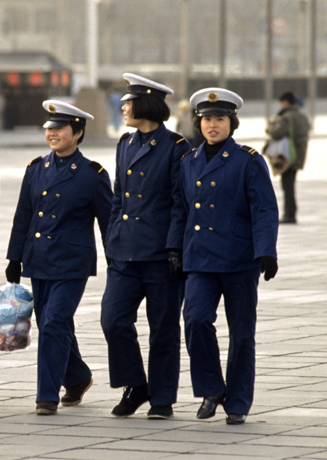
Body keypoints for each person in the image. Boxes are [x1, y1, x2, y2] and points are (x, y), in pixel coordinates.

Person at [6, 100, 112, 415]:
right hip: (39, 260)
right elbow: (22, 216)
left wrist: (118, 263)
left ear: (77, 133)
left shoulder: (93, 175)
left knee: (54, 322)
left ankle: (46, 396)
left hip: (72, 263)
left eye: (60, 129)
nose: (52, 134)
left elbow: (108, 222)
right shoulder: (36, 169)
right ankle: (77, 377)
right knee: (54, 323)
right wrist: (15, 257)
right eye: (49, 128)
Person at [181, 88, 279, 425]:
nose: (212, 125)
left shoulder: (248, 160)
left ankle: (237, 401)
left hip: (238, 259)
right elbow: (181, 212)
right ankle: (211, 388)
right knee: (194, 319)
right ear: (198, 123)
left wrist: (266, 250)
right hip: (199, 260)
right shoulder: (189, 162)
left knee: (241, 333)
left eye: (219, 119)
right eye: (206, 119)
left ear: (231, 123)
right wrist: (172, 249)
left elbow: (264, 208)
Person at [101, 73, 191, 420]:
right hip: (125, 253)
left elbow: (179, 202)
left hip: (160, 255)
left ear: (147, 104)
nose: (123, 107)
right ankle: (136, 384)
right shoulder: (125, 144)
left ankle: (163, 398)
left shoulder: (176, 148)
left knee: (163, 328)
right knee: (112, 320)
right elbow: (117, 199)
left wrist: (174, 248)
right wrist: (112, 240)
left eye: (129, 101)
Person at [265, 91, 311, 224]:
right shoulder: (302, 115)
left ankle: (290, 214)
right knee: (290, 184)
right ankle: (291, 212)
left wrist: (270, 128)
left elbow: (277, 133)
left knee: (287, 186)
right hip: (299, 153)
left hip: (287, 155)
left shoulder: (287, 117)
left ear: (285, 102)